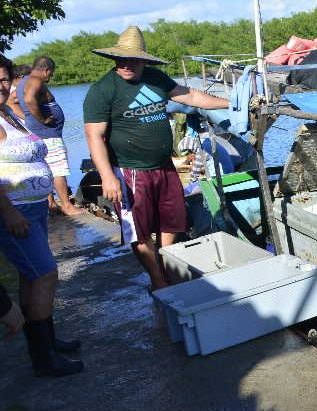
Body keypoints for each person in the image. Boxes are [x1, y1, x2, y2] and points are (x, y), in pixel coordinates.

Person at [82, 26, 229, 291]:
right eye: (121, 59)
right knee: (137, 230)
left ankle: (166, 261)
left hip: (164, 167)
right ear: (114, 59)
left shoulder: (155, 78)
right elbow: (94, 136)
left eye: (132, 59)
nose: (126, 65)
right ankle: (158, 279)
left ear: (143, 60)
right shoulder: (103, 90)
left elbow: (191, 96)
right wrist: (106, 176)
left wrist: (231, 103)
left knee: (171, 219)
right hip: (130, 171)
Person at [0, 54, 83, 376]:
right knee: (46, 274)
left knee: (30, 276)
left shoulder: (8, 112)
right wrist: (7, 212)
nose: (2, 86)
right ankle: (43, 358)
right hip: (14, 212)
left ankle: (47, 342)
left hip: (33, 208)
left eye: (5, 79)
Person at [18, 56, 85, 216]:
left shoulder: (22, 82)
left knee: (46, 168)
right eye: (51, 73)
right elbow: (29, 99)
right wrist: (42, 119)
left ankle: (51, 204)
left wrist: (26, 118)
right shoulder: (35, 80)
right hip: (48, 134)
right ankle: (67, 206)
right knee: (58, 170)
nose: (51, 77)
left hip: (37, 133)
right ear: (46, 69)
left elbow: (13, 102)